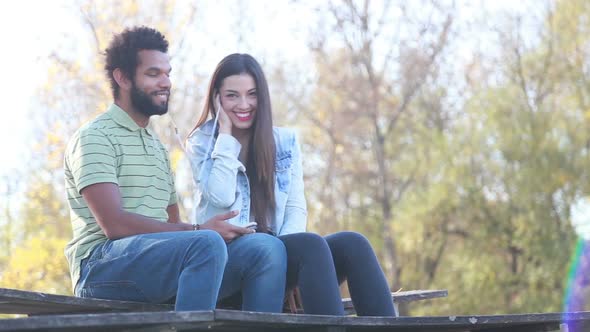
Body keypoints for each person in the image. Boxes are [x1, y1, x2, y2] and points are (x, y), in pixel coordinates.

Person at [64, 27, 287, 313]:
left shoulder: (156, 147)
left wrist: (201, 234)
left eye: (168, 73)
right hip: (100, 268)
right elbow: (114, 225)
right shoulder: (95, 137)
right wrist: (200, 230)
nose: (166, 82)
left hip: (155, 265)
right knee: (205, 243)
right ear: (122, 78)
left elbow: (172, 227)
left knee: (265, 249)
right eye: (153, 74)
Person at [186, 53, 395, 316]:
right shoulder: (201, 143)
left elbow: (296, 206)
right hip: (229, 263)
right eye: (232, 95)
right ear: (216, 98)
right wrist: (225, 136)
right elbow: (221, 195)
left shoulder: (284, 141)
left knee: (353, 244)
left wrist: (285, 261)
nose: (244, 104)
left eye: (252, 94)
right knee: (310, 246)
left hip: (275, 255)